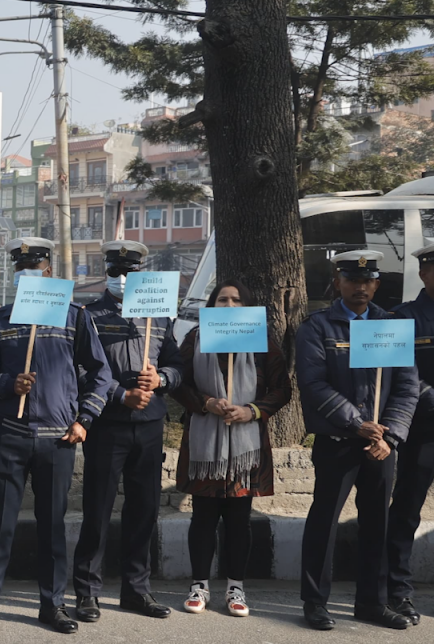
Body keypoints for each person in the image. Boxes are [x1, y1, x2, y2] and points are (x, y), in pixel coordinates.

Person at [0, 236, 113, 636]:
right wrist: (7, 384)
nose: (29, 272)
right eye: (22, 268)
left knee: (53, 527)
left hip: (59, 437)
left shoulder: (73, 317)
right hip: (9, 434)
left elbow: (102, 375)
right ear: (16, 275)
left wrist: (84, 419)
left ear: (49, 270)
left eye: (36, 266)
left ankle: (53, 605)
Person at [296, 250, 420, 631]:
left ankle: (373, 602)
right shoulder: (318, 326)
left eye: (368, 280)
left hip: (381, 445)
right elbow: (313, 384)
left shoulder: (392, 324)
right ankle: (315, 602)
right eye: (352, 279)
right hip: (338, 441)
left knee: (377, 525)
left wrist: (392, 435)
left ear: (377, 284)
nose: (360, 286)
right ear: (338, 282)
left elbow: (406, 386)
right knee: (324, 523)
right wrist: (358, 424)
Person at [71, 241, 180, 622]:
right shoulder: (91, 314)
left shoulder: (161, 314)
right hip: (107, 424)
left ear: (141, 273)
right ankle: (87, 591)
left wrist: (162, 378)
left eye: (130, 272)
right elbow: (82, 370)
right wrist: (120, 394)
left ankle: (137, 590)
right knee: (97, 510)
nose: (122, 279)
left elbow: (176, 364)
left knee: (144, 510)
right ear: (107, 272)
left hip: (150, 426)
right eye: (116, 272)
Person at [172, 279, 292, 618]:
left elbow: (283, 389)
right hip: (204, 443)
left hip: (246, 444)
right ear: (211, 306)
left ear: (248, 307)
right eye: (222, 300)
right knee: (203, 517)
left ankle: (235, 586)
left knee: (239, 519)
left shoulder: (262, 341)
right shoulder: (195, 339)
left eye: (237, 300)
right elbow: (179, 383)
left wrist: (251, 410)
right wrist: (206, 403)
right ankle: (199, 585)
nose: (229, 306)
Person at [388, 245, 434, 626]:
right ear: (424, 273)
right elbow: (402, 379)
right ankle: (398, 591)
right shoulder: (404, 319)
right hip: (423, 432)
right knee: (406, 512)